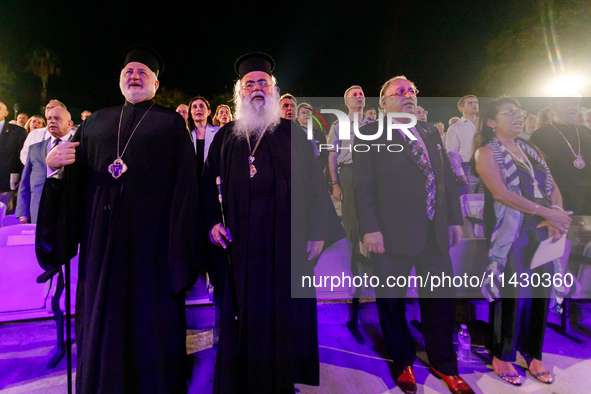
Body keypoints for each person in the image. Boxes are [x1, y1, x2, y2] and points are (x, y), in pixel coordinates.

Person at [39, 45, 202, 393]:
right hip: (101, 251)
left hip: (152, 252)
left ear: (156, 85)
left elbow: (187, 190)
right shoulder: (95, 122)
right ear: (119, 80)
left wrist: (181, 256)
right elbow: (73, 187)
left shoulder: (171, 124)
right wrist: (54, 171)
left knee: (150, 332)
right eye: (129, 71)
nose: (135, 76)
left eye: (143, 72)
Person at [203, 52, 334, 393]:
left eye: (263, 82)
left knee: (284, 312)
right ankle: (239, 380)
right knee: (241, 312)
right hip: (239, 243)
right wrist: (210, 223)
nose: (257, 88)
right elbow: (203, 185)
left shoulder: (293, 133)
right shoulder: (226, 136)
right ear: (240, 93)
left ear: (274, 90)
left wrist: (319, 231)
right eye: (250, 84)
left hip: (286, 242)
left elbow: (316, 187)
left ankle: (280, 380)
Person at [354, 76, 474, 394]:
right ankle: (402, 360)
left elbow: (444, 176)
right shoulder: (368, 133)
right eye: (400, 92)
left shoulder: (429, 131)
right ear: (383, 102)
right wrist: (370, 229)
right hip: (390, 235)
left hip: (434, 232)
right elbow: (362, 186)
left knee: (440, 300)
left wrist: (453, 220)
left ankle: (444, 363)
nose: (408, 96)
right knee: (391, 301)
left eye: (412, 91)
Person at [473, 97, 572, 386]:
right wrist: (545, 212)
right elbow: (501, 193)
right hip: (512, 230)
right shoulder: (485, 152)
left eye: (520, 113)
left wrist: (557, 217)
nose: (518, 117)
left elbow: (551, 185)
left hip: (542, 227)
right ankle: (502, 354)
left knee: (540, 290)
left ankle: (533, 353)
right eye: (509, 113)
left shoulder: (530, 150)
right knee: (511, 290)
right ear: (491, 122)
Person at [530, 96, 591, 215]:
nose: (572, 108)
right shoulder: (539, 136)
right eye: (565, 104)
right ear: (552, 108)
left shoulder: (586, 132)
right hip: (558, 202)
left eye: (575, 104)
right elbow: (538, 174)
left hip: (588, 200)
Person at [16, 107, 73, 224]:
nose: (52, 121)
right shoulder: (34, 148)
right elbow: (25, 182)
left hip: (69, 213)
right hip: (37, 211)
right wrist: (23, 212)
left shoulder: (80, 147)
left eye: (57, 118)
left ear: (69, 123)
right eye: (49, 118)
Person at [446, 94, 481, 194]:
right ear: (461, 108)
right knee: (467, 203)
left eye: (476, 102)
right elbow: (452, 152)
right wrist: (459, 172)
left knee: (485, 203)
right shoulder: (455, 128)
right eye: (470, 103)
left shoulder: (485, 125)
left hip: (487, 168)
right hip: (467, 169)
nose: (474, 105)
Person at [0, 101, 27, 214]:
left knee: (4, 218)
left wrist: (22, 177)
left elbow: (22, 157)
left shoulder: (17, 131)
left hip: (5, 184)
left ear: (6, 113)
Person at [20, 100, 67, 165]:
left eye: (53, 107)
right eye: (47, 108)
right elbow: (25, 153)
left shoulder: (73, 134)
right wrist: (34, 167)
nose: (49, 110)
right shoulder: (34, 134)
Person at [187, 95, 220, 178]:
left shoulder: (218, 133)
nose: (198, 109)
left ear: (209, 112)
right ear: (190, 114)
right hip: (191, 181)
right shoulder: (185, 135)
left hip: (212, 181)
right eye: (194, 107)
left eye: (201, 106)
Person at [297, 102, 328, 172]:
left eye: (308, 112)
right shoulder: (294, 133)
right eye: (303, 112)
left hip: (317, 171)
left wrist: (320, 167)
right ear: (297, 116)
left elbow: (325, 154)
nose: (306, 114)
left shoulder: (319, 134)